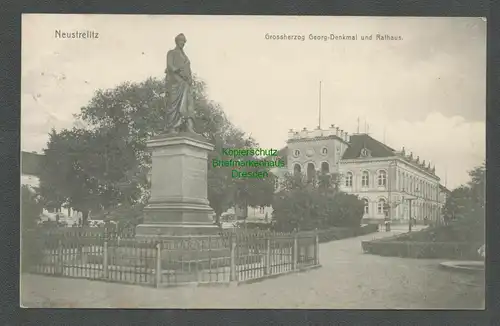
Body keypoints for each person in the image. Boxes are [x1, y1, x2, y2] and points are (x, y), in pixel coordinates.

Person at [164, 33, 197, 134]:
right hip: (175, 82)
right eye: (181, 41)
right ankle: (172, 127)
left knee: (188, 105)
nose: (182, 43)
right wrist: (179, 73)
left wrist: (190, 79)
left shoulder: (185, 57)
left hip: (186, 84)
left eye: (184, 41)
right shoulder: (171, 53)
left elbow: (188, 70)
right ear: (176, 41)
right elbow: (170, 66)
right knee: (174, 105)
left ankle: (188, 126)